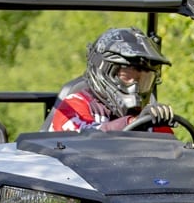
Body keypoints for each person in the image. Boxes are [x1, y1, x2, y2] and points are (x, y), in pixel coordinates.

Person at [47, 27, 176, 133]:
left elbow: (173, 153)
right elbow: (83, 138)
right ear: (104, 70)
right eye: (127, 76)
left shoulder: (148, 119)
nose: (135, 88)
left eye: (144, 81)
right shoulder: (74, 105)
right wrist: (133, 123)